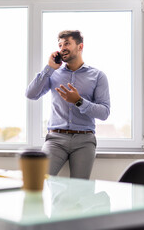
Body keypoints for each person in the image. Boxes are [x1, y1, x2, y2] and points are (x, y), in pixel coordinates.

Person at [25, 30, 110, 179]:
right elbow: (31, 94)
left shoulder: (98, 76)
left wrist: (79, 101)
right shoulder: (53, 74)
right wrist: (49, 68)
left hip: (84, 141)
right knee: (39, 180)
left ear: (80, 46)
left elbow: (104, 113)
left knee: (80, 190)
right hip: (56, 139)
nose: (62, 47)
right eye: (60, 44)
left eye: (67, 43)